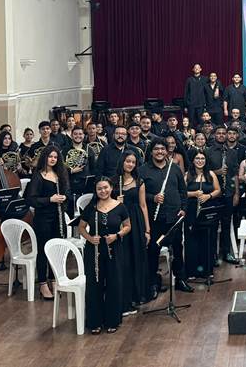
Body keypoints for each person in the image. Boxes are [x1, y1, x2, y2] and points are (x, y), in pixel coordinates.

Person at [79, 177, 130, 334]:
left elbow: (128, 226)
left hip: (114, 248)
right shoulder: (91, 208)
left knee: (114, 283)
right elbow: (81, 228)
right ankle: (95, 321)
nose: (103, 191)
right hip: (94, 250)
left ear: (111, 188)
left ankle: (112, 320)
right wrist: (90, 238)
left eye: (105, 187)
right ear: (96, 191)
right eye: (99, 189)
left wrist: (117, 235)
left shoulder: (120, 206)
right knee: (95, 284)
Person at [141, 141, 192, 295]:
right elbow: (140, 195)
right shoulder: (143, 170)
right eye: (156, 149)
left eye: (162, 149)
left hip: (174, 217)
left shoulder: (175, 168)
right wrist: (152, 198)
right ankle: (152, 283)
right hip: (154, 218)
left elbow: (183, 191)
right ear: (151, 152)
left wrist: (183, 209)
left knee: (178, 248)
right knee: (153, 251)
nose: (160, 151)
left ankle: (180, 279)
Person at [24, 146, 69, 300]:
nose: (53, 159)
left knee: (56, 250)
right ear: (45, 157)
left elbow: (67, 193)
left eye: (55, 157)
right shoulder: (38, 175)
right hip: (43, 218)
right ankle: (43, 284)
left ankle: (54, 280)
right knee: (43, 251)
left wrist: (64, 198)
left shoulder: (60, 174)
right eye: (50, 156)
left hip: (58, 217)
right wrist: (50, 199)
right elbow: (30, 199)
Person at [115, 151, 152, 311]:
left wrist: (147, 229)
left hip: (136, 222)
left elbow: (143, 206)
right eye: (127, 161)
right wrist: (116, 202)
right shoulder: (113, 181)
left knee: (137, 257)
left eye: (133, 162)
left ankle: (138, 294)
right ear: (122, 162)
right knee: (124, 259)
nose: (130, 164)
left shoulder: (139, 181)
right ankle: (124, 295)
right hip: (120, 223)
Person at [184, 149, 222, 280]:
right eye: (197, 158)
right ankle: (192, 270)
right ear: (193, 160)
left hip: (208, 211)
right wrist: (194, 194)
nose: (200, 161)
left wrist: (208, 196)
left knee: (208, 240)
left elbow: (218, 190)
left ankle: (207, 270)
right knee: (192, 241)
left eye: (202, 159)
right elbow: (181, 193)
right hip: (191, 212)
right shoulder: (188, 175)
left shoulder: (211, 174)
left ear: (206, 161)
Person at [205, 126, 239, 264]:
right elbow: (203, 172)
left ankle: (226, 253)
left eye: (223, 133)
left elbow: (235, 174)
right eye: (218, 133)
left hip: (228, 193)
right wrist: (216, 173)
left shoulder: (231, 153)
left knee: (226, 224)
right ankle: (212, 254)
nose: (221, 135)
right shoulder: (208, 152)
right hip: (213, 194)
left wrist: (236, 193)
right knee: (212, 225)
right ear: (214, 135)